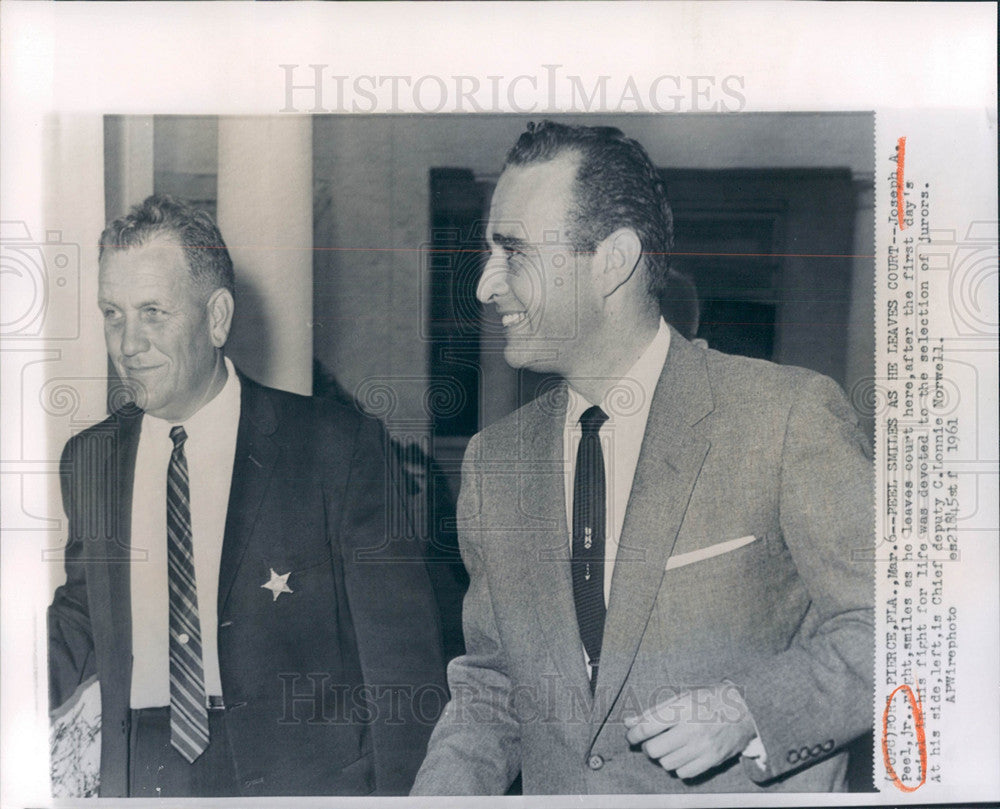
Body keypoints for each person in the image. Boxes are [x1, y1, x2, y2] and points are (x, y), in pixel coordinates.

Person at [412, 122, 874, 794]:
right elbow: (492, 686)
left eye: (513, 252)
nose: (485, 286)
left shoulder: (786, 418)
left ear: (614, 259)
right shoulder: (494, 462)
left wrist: (750, 709)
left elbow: (898, 629)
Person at [48, 195, 446, 797]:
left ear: (217, 318)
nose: (129, 343)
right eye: (113, 313)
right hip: (143, 779)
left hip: (298, 783)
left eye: (153, 312)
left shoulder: (335, 447)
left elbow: (402, 671)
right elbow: (83, 615)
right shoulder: (90, 461)